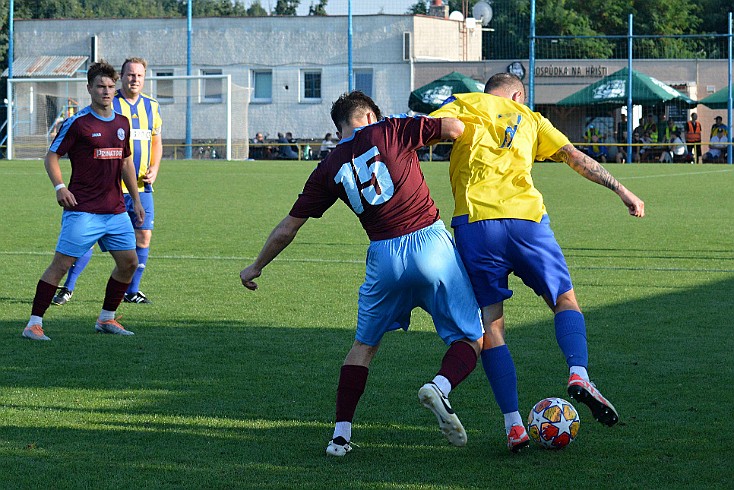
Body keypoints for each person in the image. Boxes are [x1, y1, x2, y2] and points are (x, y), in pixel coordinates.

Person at [239, 91, 484, 456]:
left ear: (340, 127)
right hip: (429, 242)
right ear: (369, 115)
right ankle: (441, 386)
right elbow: (456, 128)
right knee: (471, 337)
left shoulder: (328, 166)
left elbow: (289, 228)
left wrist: (256, 265)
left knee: (363, 347)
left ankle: (340, 436)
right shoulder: (390, 129)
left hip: (384, 256)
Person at [431, 73, 645, 451]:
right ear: (517, 95)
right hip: (527, 223)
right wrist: (621, 189)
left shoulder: (464, 103)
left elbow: (425, 132)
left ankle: (514, 426)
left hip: (475, 226)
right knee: (565, 300)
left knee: (491, 327)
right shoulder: (529, 118)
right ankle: (578, 373)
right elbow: (574, 158)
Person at [21, 61, 143, 341]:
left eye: (111, 86)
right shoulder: (77, 123)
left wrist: (134, 199)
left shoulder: (122, 123)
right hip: (83, 210)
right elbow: (51, 156)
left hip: (115, 210)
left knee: (129, 263)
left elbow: (126, 162)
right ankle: (34, 324)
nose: (107, 91)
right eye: (101, 86)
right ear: (89, 88)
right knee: (61, 265)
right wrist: (60, 187)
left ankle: (106, 319)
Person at [52, 57, 163, 306]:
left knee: (143, 238)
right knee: (85, 241)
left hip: (141, 187)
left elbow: (156, 140)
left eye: (139, 75)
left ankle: (131, 291)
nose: (135, 79)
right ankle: (67, 288)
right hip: (104, 188)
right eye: (130, 75)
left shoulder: (152, 107)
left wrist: (155, 167)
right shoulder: (110, 104)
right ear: (121, 78)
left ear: (145, 78)